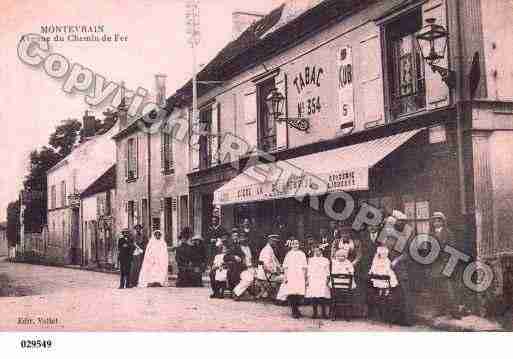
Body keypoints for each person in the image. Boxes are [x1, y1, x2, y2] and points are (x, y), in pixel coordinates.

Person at [383, 211, 415, 326]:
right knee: (395, 293)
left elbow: (407, 253)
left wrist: (397, 260)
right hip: (391, 267)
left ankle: (408, 320)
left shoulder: (405, 235)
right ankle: (396, 318)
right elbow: (386, 250)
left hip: (402, 267)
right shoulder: (389, 236)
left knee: (405, 293)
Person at [429, 211, 461, 319]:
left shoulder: (448, 233)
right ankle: (440, 310)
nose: (436, 222)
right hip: (435, 264)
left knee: (448, 288)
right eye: (434, 220)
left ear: (443, 222)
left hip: (446, 262)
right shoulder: (431, 234)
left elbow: (452, 248)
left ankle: (454, 311)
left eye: (438, 220)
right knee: (437, 288)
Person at [282, 238, 308, 319]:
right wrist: (285, 277)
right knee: (292, 293)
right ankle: (294, 310)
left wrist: (304, 277)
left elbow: (304, 266)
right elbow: (285, 266)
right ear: (291, 245)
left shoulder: (302, 254)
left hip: (299, 275)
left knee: (298, 293)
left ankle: (296, 309)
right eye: (293, 244)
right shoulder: (288, 254)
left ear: (299, 245)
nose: (295, 245)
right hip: (291, 275)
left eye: (297, 244)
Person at [306, 245, 331, 319]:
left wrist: (327, 279)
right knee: (314, 296)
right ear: (314, 251)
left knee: (322, 296)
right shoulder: (311, 260)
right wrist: (307, 280)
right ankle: (315, 313)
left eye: (319, 251)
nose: (317, 252)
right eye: (316, 251)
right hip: (313, 279)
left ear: (321, 251)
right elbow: (309, 271)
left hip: (322, 278)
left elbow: (327, 271)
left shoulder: (325, 260)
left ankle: (323, 313)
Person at [256, 234, 283, 299]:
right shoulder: (267, 250)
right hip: (267, 275)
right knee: (285, 278)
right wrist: (276, 271)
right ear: (270, 241)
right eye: (274, 241)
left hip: (269, 274)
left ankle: (277, 295)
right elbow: (267, 265)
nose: (275, 243)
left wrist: (280, 268)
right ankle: (280, 297)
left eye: (276, 242)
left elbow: (275, 262)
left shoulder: (270, 249)